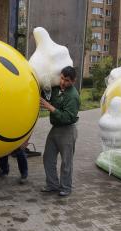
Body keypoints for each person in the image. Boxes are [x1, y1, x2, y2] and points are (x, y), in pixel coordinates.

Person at [39, 66, 80, 196]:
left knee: (66, 161)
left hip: (67, 130)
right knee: (48, 157)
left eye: (67, 80)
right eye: (62, 78)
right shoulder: (56, 88)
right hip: (55, 128)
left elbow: (68, 117)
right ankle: (52, 184)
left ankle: (66, 187)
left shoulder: (73, 96)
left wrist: (50, 107)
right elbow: (48, 96)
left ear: (73, 81)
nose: (63, 82)